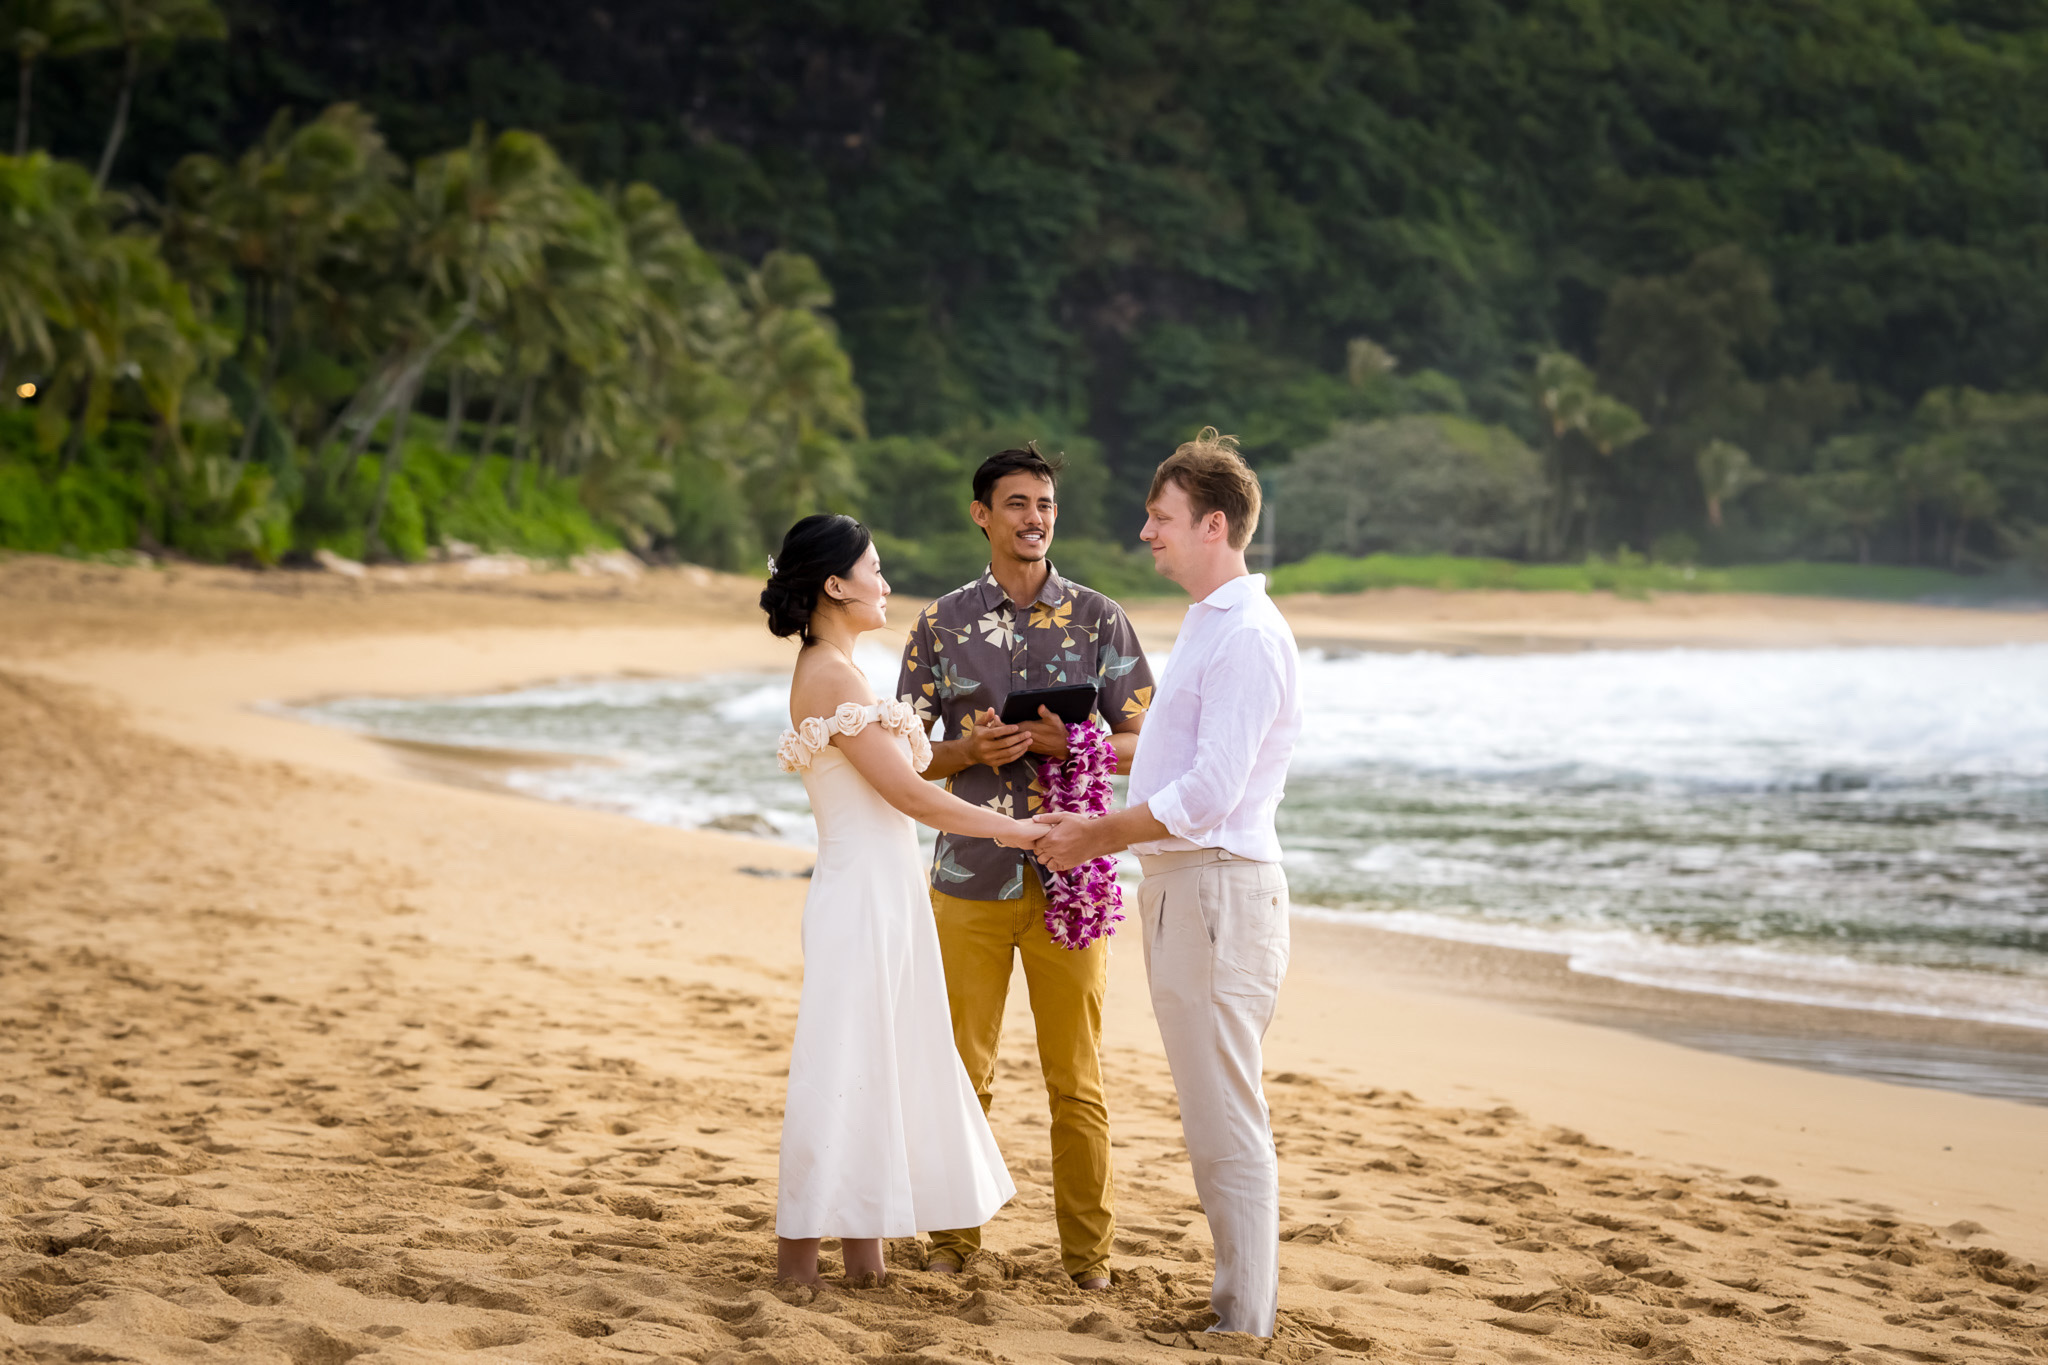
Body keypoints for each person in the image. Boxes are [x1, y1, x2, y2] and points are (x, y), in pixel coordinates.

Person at [1034, 428, 1303, 1336]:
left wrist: (1095, 833)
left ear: (1213, 523)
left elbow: (1211, 792)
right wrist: (1077, 751)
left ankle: (1245, 1320)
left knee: (1227, 1113)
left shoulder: (1250, 636)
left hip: (1218, 890)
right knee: (1209, 1108)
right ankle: (1240, 1303)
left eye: (1161, 517)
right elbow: (1172, 761)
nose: (1146, 531)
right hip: (1185, 887)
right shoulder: (1209, 622)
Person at [761, 512, 1046, 1288]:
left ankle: (866, 1256)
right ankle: (798, 1266)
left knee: (875, 1062)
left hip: (881, 894)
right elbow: (912, 797)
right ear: (834, 583)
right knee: (841, 1063)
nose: (885, 583)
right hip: (860, 897)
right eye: (874, 569)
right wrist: (1016, 831)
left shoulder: (840, 667)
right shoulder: (830, 674)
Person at [895, 443, 1154, 1289]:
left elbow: (1145, 743)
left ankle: (1090, 1260)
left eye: (1044, 503)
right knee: (963, 1073)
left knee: (1075, 1081)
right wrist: (967, 746)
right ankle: (952, 1242)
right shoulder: (939, 623)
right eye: (1016, 503)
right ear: (982, 513)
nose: (1034, 517)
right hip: (967, 876)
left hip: (1070, 884)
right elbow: (902, 756)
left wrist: (1063, 738)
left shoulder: (1100, 619)